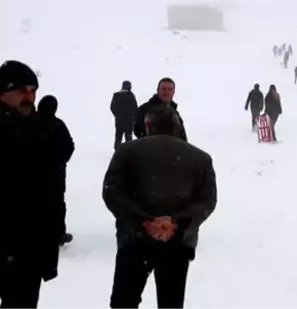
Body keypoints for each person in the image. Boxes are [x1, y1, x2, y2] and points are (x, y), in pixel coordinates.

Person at [103, 104, 217, 309]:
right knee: (171, 302)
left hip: (135, 238)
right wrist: (176, 223)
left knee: (124, 302)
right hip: (177, 240)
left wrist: (143, 221)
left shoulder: (127, 151)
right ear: (176, 126)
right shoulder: (200, 158)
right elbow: (207, 201)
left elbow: (112, 192)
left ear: (148, 125)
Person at [0, 60, 65, 309]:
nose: (29, 97)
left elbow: (50, 189)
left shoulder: (42, 127)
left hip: (28, 245)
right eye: (21, 91)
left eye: (32, 91)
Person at [37, 95, 75, 246]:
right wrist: (60, 162)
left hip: (32, 173)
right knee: (57, 204)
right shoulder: (58, 125)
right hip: (55, 174)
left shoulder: (29, 122)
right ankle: (58, 234)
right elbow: (69, 146)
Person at [110, 80, 138, 149]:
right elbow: (135, 109)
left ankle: (116, 155)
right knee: (128, 141)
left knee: (118, 139)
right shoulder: (131, 95)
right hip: (129, 122)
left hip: (119, 122)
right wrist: (134, 118)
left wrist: (117, 115)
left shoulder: (116, 95)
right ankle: (128, 156)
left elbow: (112, 107)